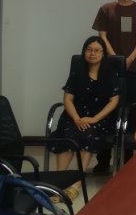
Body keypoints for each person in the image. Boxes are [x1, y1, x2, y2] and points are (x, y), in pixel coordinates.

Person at [91, 0, 136, 173]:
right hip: (109, 67)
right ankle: (103, 159)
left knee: (131, 111)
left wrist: (130, 58)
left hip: (133, 67)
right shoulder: (107, 9)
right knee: (107, 109)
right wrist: (115, 57)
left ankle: (128, 158)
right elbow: (102, 36)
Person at [50, 36, 119, 199]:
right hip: (74, 116)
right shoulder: (77, 72)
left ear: (103, 53)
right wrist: (76, 119)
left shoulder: (110, 73)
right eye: (89, 50)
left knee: (88, 134)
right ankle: (59, 181)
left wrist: (94, 119)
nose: (92, 53)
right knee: (67, 134)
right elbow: (67, 100)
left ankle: (76, 184)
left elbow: (114, 101)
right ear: (84, 52)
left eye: (96, 50)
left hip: (99, 118)